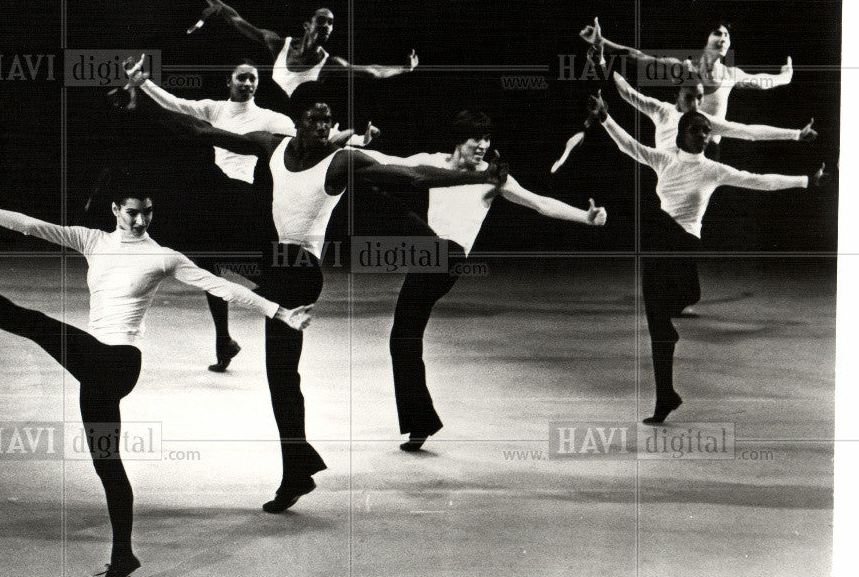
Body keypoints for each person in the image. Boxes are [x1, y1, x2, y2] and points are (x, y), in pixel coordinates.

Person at [128, 64, 507, 512]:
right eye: (315, 119)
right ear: (297, 120)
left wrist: (473, 177)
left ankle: (296, 472)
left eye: (329, 121)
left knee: (281, 374)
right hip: (274, 262)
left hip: (301, 271)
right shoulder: (270, 145)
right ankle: (298, 466)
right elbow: (200, 130)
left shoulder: (342, 160)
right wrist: (139, 104)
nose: (324, 127)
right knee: (272, 360)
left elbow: (414, 176)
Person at [0, 177, 312, 577]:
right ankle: (123, 555)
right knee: (107, 465)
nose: (141, 220)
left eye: (147, 212)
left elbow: (220, 286)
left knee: (32, 322)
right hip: (95, 369)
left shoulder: (163, 256)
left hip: (119, 361)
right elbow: (32, 226)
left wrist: (280, 313)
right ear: (114, 210)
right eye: (132, 212)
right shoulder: (92, 241)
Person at [356, 111, 607, 450]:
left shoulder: (492, 177)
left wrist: (586, 218)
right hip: (425, 257)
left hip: (449, 257)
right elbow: (388, 161)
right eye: (478, 139)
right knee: (402, 336)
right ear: (460, 139)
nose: (484, 146)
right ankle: (421, 422)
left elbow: (539, 203)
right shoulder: (432, 162)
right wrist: (357, 143)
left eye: (488, 140)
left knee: (394, 208)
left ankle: (420, 419)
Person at [586, 92, 826, 424]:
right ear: (682, 133)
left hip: (682, 242)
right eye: (697, 130)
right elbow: (630, 146)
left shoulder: (712, 169)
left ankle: (682, 294)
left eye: (706, 131)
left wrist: (805, 181)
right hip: (660, 248)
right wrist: (605, 118)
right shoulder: (665, 160)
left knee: (654, 225)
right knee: (656, 323)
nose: (705, 135)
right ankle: (665, 395)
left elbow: (758, 181)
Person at [138, 60, 296, 371]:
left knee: (224, 263)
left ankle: (273, 298)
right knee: (208, 264)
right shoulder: (215, 109)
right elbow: (176, 103)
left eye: (253, 78)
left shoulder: (268, 118)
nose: (248, 83)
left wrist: (353, 139)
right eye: (242, 77)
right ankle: (224, 340)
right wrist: (143, 83)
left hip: (241, 196)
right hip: (216, 194)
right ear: (229, 81)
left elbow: (304, 136)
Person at [190, 0, 418, 96]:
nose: (326, 26)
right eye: (321, 20)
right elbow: (235, 19)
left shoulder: (331, 64)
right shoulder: (278, 44)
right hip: (269, 112)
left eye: (330, 23)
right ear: (307, 25)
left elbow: (373, 71)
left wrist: (404, 69)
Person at [581, 19, 793, 118]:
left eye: (727, 35)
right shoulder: (682, 68)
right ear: (705, 39)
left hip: (710, 148)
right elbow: (637, 56)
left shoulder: (731, 75)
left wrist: (786, 76)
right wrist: (602, 42)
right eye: (717, 33)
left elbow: (764, 82)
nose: (723, 38)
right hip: (680, 141)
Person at [611, 71, 816, 151]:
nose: (696, 104)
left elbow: (748, 132)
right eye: (689, 98)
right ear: (677, 97)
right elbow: (627, 93)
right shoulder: (661, 110)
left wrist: (796, 134)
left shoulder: (705, 122)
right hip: (665, 173)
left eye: (700, 98)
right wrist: (603, 63)